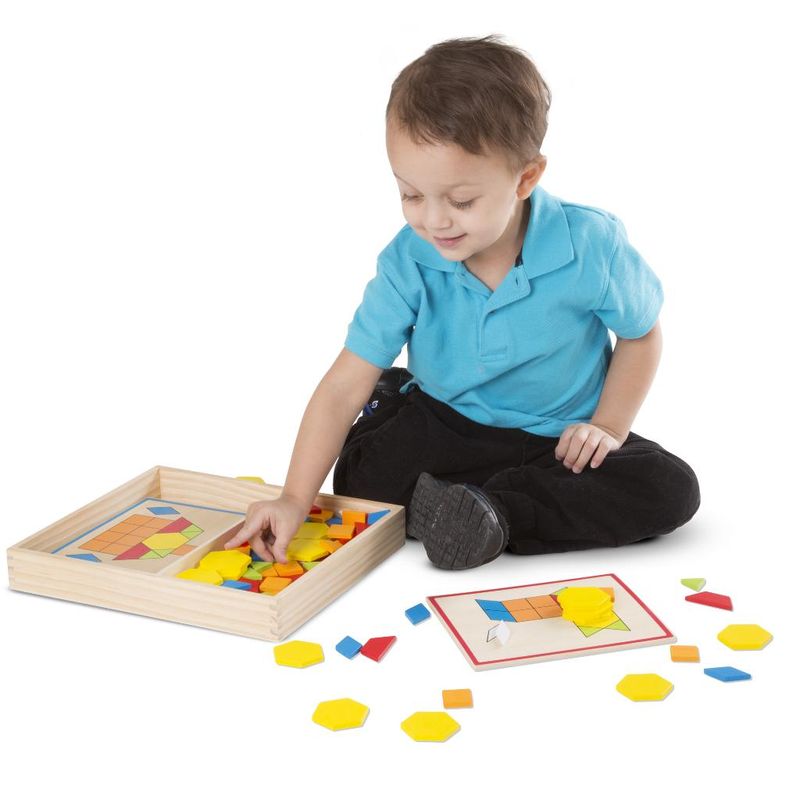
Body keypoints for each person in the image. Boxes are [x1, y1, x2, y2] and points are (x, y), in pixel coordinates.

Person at [226, 34, 701, 570]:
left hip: (556, 439)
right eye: (411, 194)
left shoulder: (592, 244)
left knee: (670, 490)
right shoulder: (408, 260)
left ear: (525, 178)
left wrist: (608, 427)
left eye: (461, 200)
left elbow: (641, 335)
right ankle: (439, 456)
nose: (433, 221)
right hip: (447, 422)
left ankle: (496, 513)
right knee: (362, 479)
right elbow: (343, 385)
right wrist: (294, 498)